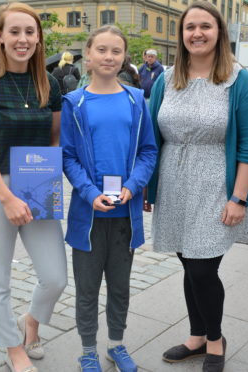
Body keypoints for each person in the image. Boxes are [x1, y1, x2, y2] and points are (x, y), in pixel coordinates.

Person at [146, 2, 248, 372]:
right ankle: (197, 336)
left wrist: (239, 197)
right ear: (181, 35)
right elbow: (152, 135)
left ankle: (215, 340)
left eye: (205, 26)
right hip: (173, 182)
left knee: (201, 268)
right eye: (189, 27)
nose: (196, 33)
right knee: (187, 261)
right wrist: (149, 188)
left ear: (219, 32)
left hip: (215, 183)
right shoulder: (167, 78)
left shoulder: (238, 79)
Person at [0, 4, 67, 372]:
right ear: (1, 37)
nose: (22, 39)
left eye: (29, 32)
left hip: (37, 181)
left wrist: (44, 180)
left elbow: (55, 139)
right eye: (15, 32)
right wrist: (6, 197)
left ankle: (31, 323)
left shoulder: (48, 84)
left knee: (55, 277)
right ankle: (13, 347)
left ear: (38, 39)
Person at [61, 25, 157, 372]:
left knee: (120, 287)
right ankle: (88, 350)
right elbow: (68, 156)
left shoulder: (136, 99)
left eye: (116, 51)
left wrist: (134, 184)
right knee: (87, 290)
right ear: (88, 55)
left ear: (123, 57)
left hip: (124, 215)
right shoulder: (74, 102)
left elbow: (148, 150)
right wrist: (88, 193)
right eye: (101, 50)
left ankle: (116, 344)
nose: (108, 56)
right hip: (87, 218)